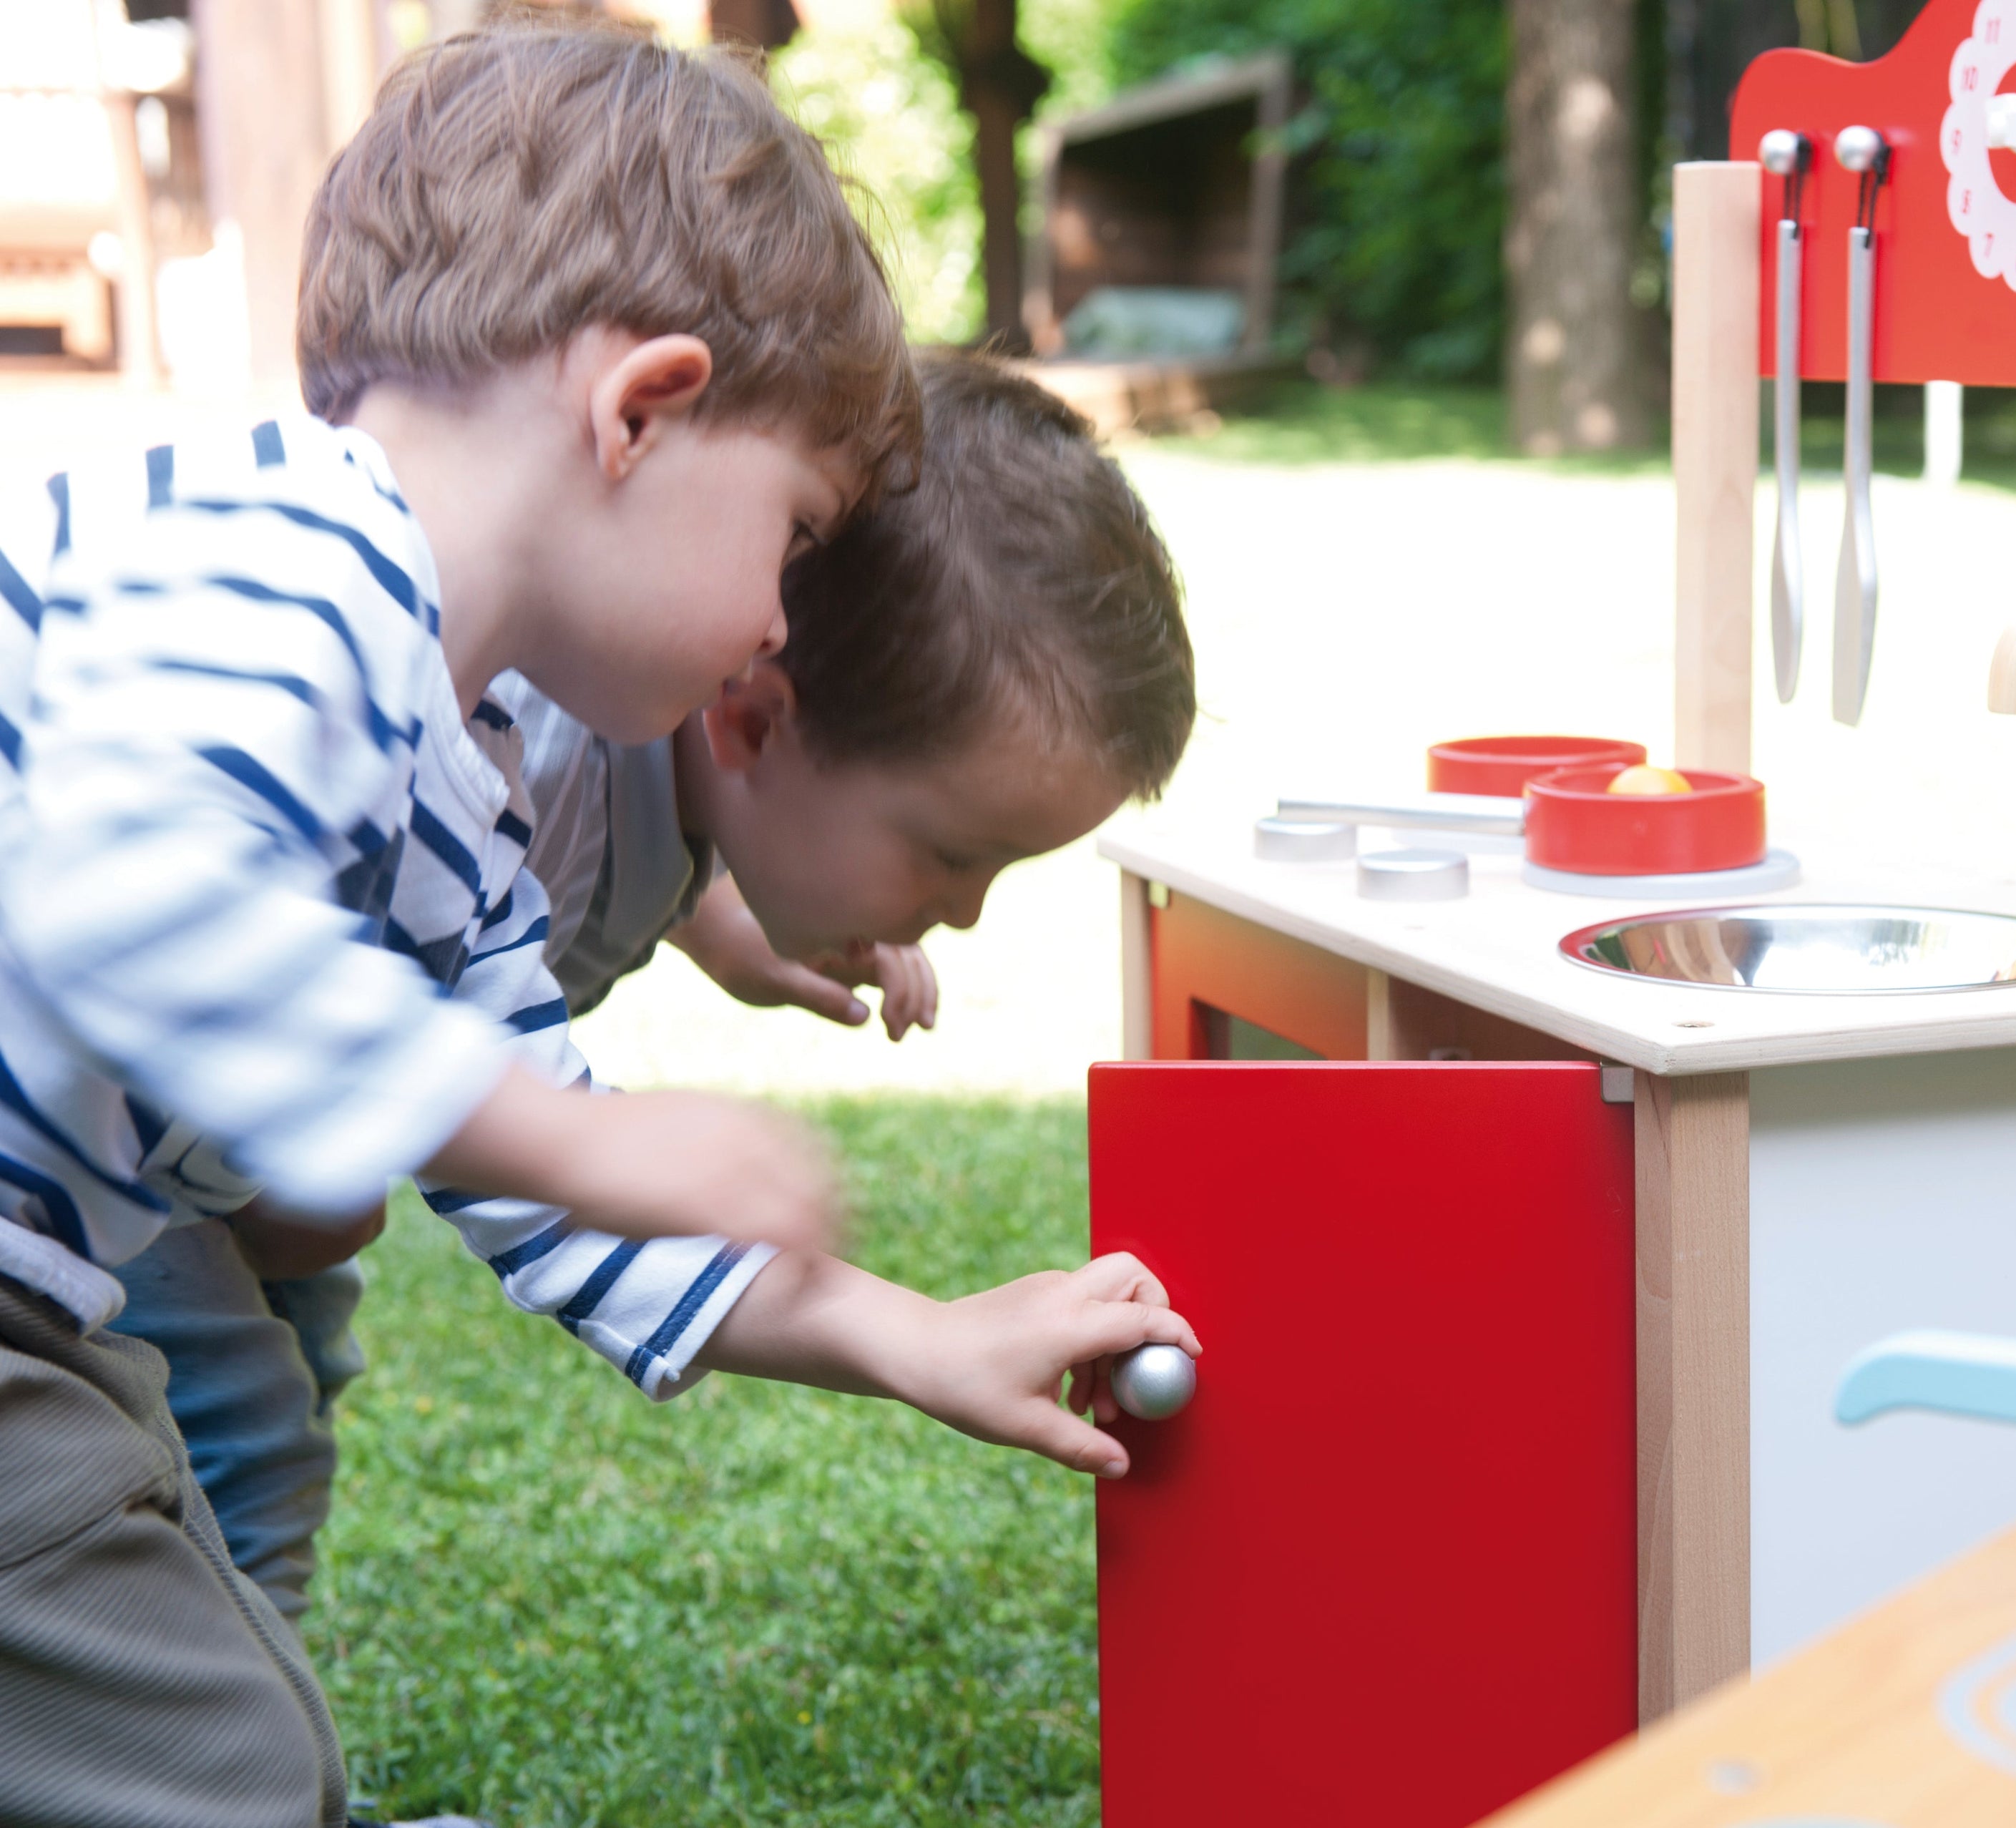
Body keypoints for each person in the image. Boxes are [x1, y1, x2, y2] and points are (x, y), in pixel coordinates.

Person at [0, 24, 1189, 1828]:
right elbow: (128, 888)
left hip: (44, 1294)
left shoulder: (445, 765)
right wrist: (560, 1131)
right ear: (639, 412)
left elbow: (537, 1170)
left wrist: (907, 1335)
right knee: (211, 1754)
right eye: (793, 537)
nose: (785, 626)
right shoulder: (291, 565)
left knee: (218, 1700)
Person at [114, 355, 1203, 1630]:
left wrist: (715, 924)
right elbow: (533, 1159)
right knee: (230, 1456)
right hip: (104, 1171)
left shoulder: (641, 740)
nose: (962, 910)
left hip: (218, 1148)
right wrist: (917, 1333)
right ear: (751, 723)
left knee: (273, 1414)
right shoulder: (494, 756)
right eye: (952, 853)